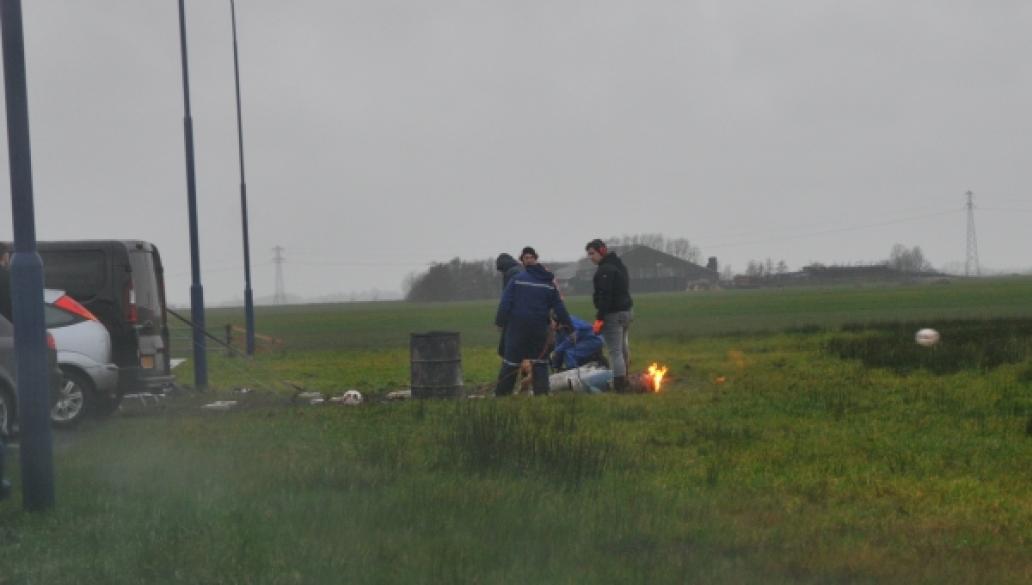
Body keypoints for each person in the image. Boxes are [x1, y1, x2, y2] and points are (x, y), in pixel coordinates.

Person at [494, 246, 572, 396]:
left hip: (520, 325)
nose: (528, 260)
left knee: (512, 360)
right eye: (526, 258)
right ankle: (540, 393)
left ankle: (503, 395)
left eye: (531, 258)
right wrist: (565, 323)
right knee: (539, 360)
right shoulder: (545, 276)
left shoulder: (514, 276)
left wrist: (500, 321)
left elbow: (506, 301)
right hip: (540, 324)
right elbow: (557, 302)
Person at [586, 238, 634, 392]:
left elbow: (606, 296)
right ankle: (626, 376)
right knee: (623, 347)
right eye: (588, 254)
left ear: (602, 251)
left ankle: (620, 384)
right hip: (627, 312)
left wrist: (600, 318)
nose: (590, 257)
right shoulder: (620, 265)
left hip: (613, 314)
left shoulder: (605, 270)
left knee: (615, 351)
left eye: (592, 253)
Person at [494, 253, 523, 357]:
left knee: (504, 350)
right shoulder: (522, 270)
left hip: (514, 316)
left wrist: (500, 322)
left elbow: (506, 299)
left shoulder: (510, 273)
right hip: (530, 315)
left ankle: (510, 371)